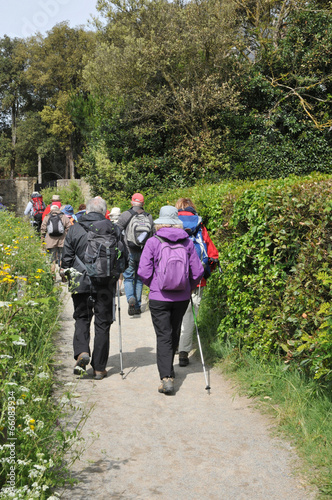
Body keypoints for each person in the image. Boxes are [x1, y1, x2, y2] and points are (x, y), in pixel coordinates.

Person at [138, 205, 204, 394]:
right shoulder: (187, 242)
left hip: (159, 297)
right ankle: (169, 369)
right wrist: (187, 287)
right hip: (182, 297)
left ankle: (167, 377)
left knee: (163, 335)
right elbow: (198, 271)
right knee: (174, 331)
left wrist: (154, 285)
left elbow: (143, 271)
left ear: (159, 222)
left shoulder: (153, 241)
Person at [61, 197, 127, 380]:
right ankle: (99, 368)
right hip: (105, 283)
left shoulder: (75, 229)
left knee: (82, 318)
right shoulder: (115, 230)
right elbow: (124, 258)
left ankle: (82, 352)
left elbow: (66, 259)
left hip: (79, 280)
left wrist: (68, 275)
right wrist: (116, 274)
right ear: (105, 211)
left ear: (87, 211)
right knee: (102, 323)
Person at [175, 197, 219, 367]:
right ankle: (184, 353)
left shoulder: (170, 225)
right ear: (193, 208)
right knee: (189, 316)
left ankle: (172, 346)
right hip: (197, 280)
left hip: (173, 280)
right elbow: (212, 254)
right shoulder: (200, 226)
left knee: (173, 314)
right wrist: (205, 273)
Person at [117, 193, 154, 316]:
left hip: (129, 251)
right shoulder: (149, 217)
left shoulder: (126, 215)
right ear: (143, 203)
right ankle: (137, 305)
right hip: (144, 252)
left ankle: (130, 299)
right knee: (139, 279)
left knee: (128, 277)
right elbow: (153, 235)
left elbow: (116, 231)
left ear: (132, 202)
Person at [40, 204, 72, 273]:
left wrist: (42, 241)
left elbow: (43, 229)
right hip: (62, 240)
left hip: (50, 241)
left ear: (51, 210)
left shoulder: (47, 217)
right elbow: (69, 227)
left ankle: (53, 275)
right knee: (62, 258)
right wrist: (65, 233)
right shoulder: (63, 216)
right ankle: (62, 274)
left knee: (52, 259)